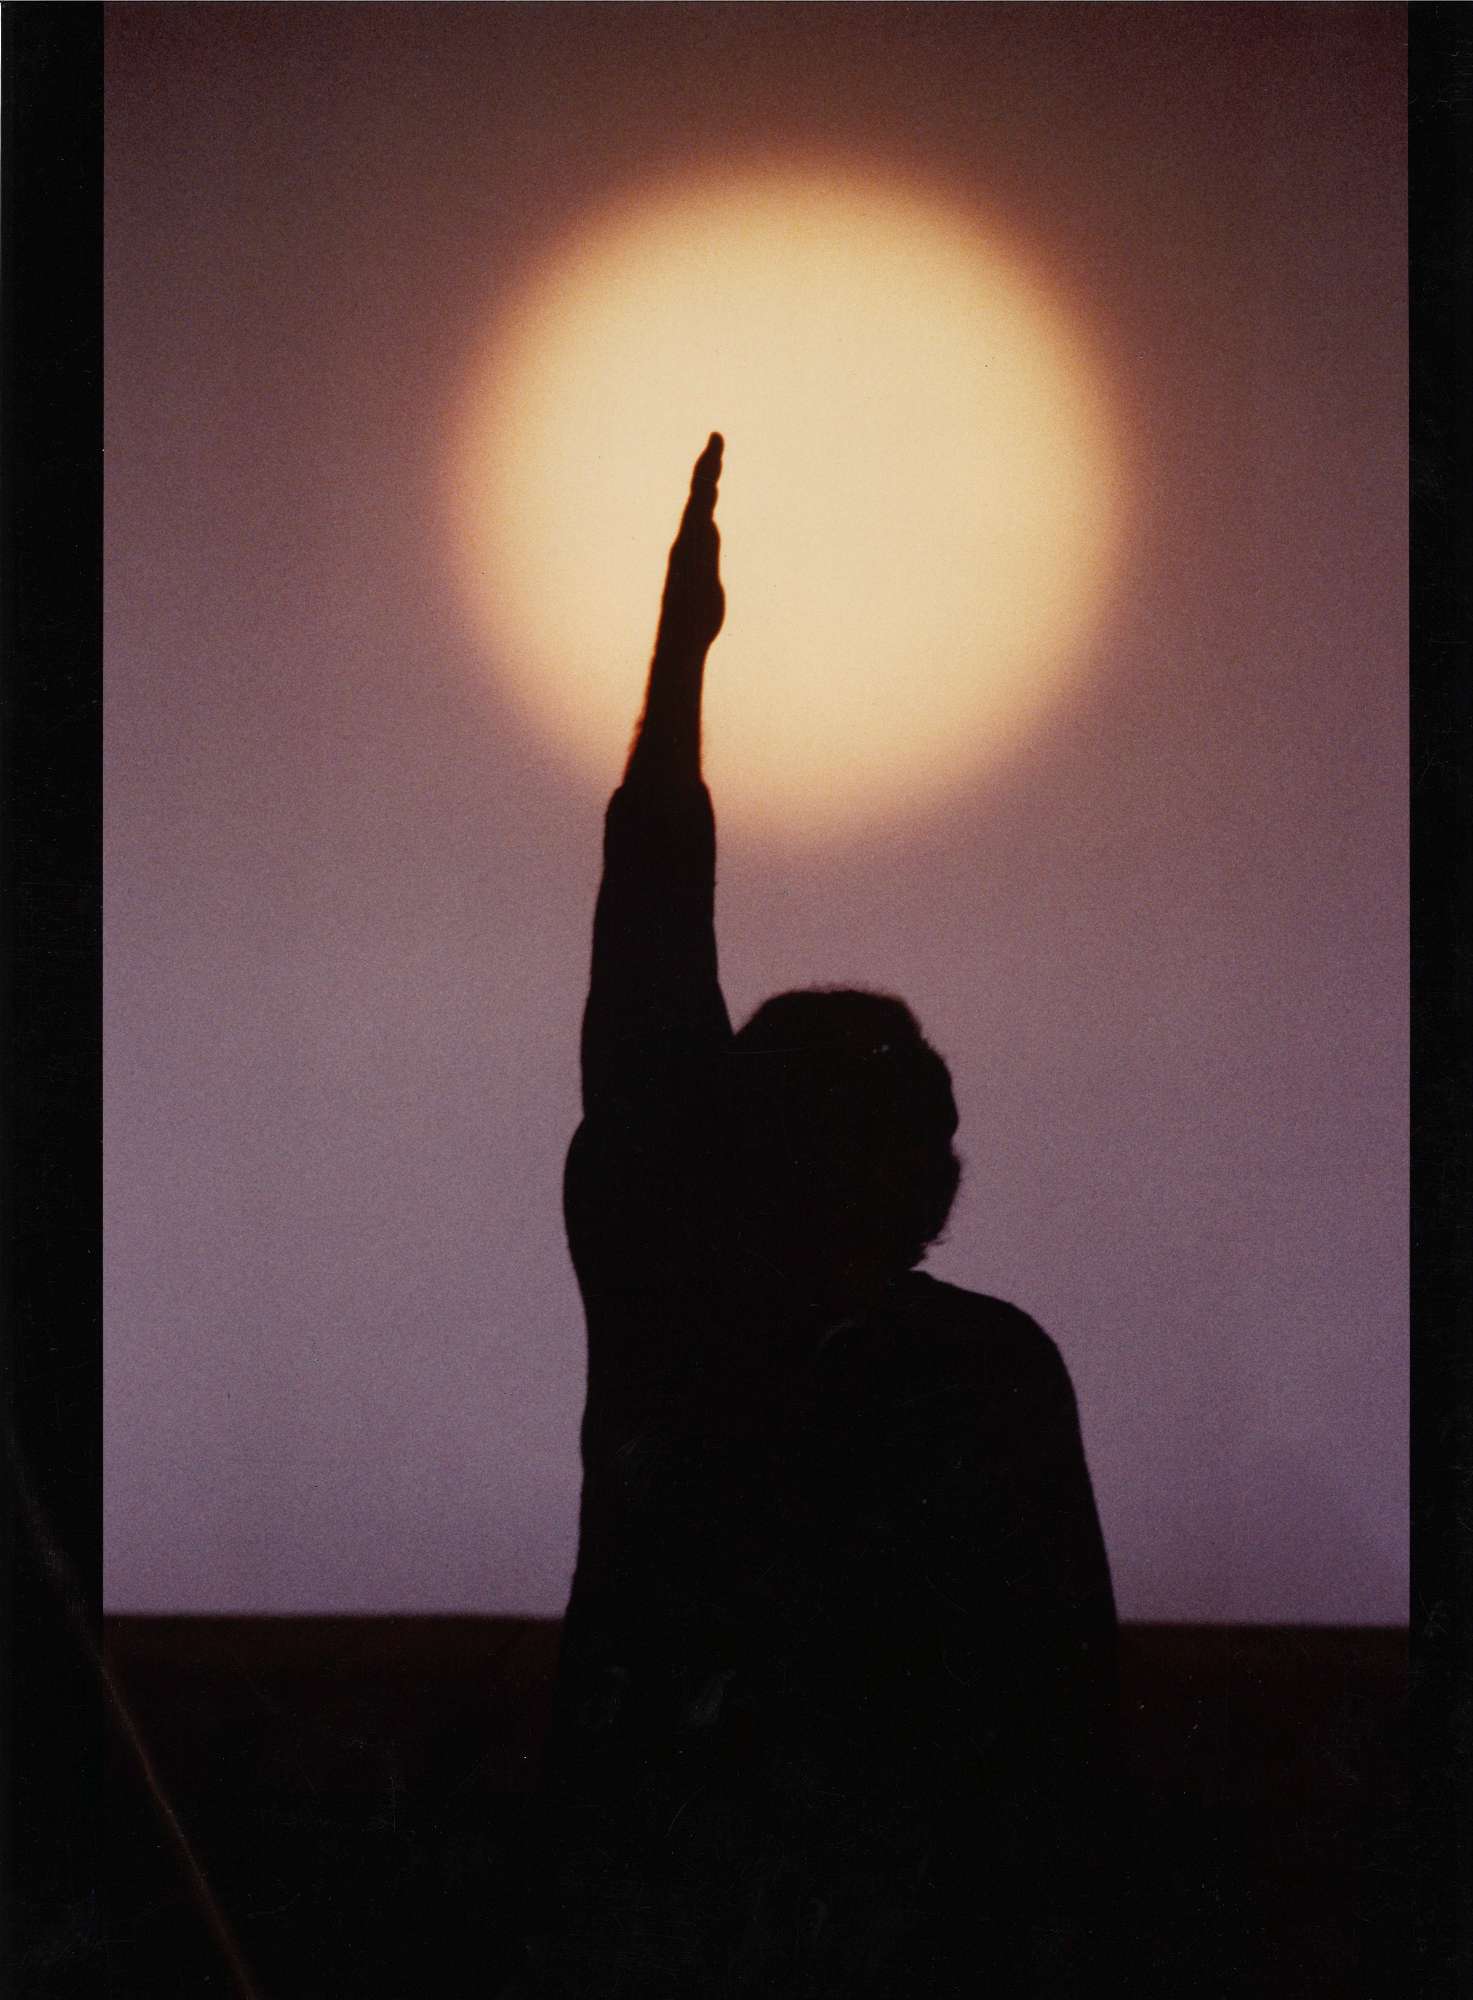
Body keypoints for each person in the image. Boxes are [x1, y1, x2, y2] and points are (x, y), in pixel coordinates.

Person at [527, 437, 1118, 1998]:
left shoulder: (672, 1301)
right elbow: (1066, 1730)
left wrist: (679, 662)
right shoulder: (984, 1371)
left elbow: (648, 936)